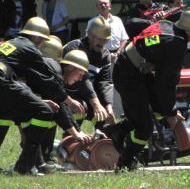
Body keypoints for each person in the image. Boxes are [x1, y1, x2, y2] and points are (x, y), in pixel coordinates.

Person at [103, 7, 190, 171]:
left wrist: (167, 109)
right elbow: (166, 83)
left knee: (153, 111)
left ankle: (117, 131)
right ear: (189, 30)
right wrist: (172, 113)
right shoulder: (176, 44)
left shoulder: (168, 26)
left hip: (132, 69)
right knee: (144, 128)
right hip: (129, 75)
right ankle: (125, 163)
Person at [0, 17, 89, 174]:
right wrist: (68, 100)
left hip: (4, 83)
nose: (41, 45)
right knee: (45, 111)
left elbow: (23, 84)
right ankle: (25, 166)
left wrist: (40, 99)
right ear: (37, 38)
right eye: (41, 41)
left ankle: (36, 163)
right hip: (3, 81)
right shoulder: (30, 48)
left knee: (7, 113)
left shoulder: (12, 43)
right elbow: (47, 81)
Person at [39, 38, 92, 169]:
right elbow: (60, 108)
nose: (80, 79)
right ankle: (35, 162)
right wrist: (76, 134)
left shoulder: (58, 73)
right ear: (70, 68)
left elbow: (62, 107)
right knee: (45, 113)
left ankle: (42, 158)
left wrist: (78, 131)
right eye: (80, 75)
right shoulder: (55, 72)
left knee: (50, 112)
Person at [64, 16, 115, 130]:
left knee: (104, 116)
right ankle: (71, 140)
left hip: (88, 95)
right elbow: (83, 78)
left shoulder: (105, 55)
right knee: (82, 107)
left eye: (105, 39)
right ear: (90, 35)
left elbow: (105, 82)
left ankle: (102, 142)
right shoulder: (75, 47)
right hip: (68, 95)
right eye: (99, 39)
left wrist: (108, 105)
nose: (102, 43)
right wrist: (96, 104)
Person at [87, 0, 129, 118]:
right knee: (105, 84)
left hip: (117, 56)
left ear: (110, 6)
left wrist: (118, 52)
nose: (103, 6)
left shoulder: (117, 20)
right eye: (100, 4)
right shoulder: (92, 22)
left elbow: (124, 38)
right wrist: (106, 53)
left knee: (119, 83)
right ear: (97, 7)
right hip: (101, 57)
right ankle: (106, 110)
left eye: (105, 4)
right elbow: (89, 41)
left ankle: (120, 111)